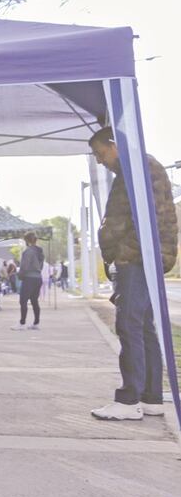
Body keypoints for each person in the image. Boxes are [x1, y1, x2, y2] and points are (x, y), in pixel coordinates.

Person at [88, 127, 177, 421]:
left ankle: (129, 400)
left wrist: (119, 253)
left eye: (101, 153)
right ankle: (150, 397)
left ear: (114, 145)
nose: (100, 161)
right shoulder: (143, 167)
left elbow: (139, 218)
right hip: (144, 256)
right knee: (143, 326)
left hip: (136, 257)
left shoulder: (136, 171)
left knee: (128, 324)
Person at [12, 232, 45, 330]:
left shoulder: (28, 251)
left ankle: (22, 323)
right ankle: (36, 323)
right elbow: (41, 266)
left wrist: (20, 276)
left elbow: (24, 266)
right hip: (38, 278)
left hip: (29, 278)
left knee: (23, 300)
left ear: (26, 240)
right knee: (34, 301)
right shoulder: (40, 252)